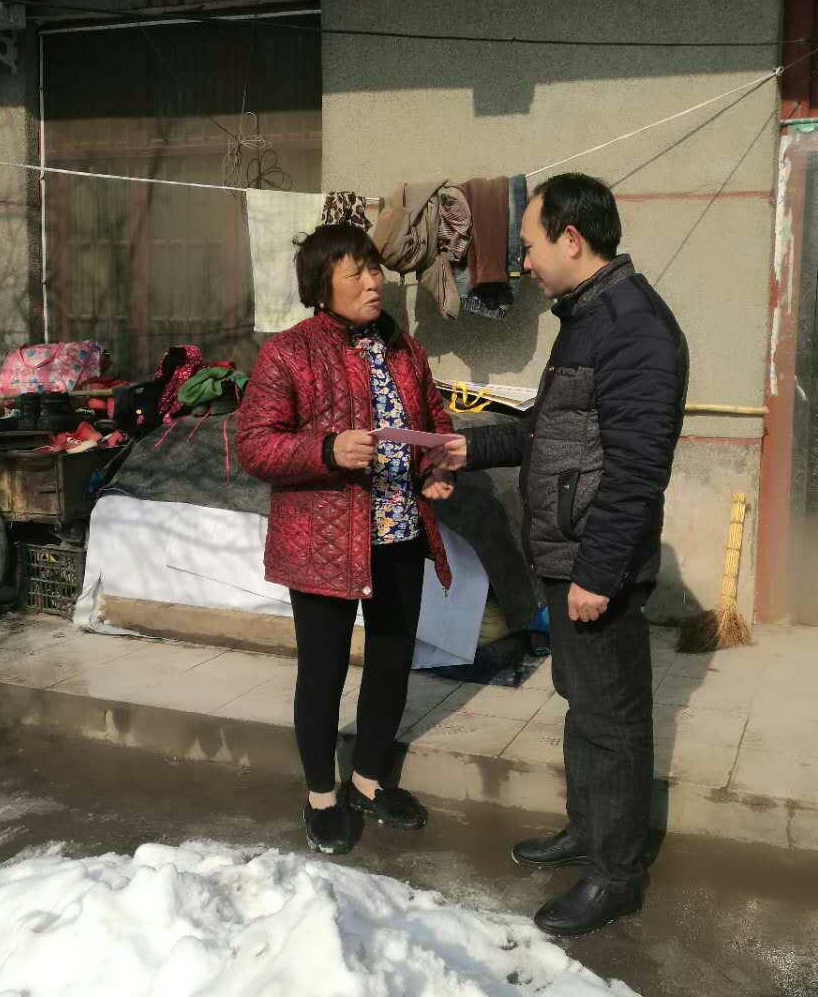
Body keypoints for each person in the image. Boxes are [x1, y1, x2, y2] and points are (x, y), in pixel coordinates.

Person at [451, 173, 689, 937]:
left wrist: (597, 573)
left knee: (611, 721)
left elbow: (637, 472)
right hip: (569, 557)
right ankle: (588, 833)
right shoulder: (585, 319)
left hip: (594, 567)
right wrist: (465, 448)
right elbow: (543, 433)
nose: (523, 262)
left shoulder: (634, 329)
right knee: (584, 706)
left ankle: (614, 876)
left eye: (529, 246)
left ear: (572, 239)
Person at [236, 223, 466, 856]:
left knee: (391, 663)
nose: (372, 282)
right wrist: (327, 450)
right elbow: (253, 445)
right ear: (322, 286)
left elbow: (433, 420)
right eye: (355, 272)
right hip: (323, 544)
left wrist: (436, 468)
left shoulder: (404, 349)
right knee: (323, 672)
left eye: (374, 269)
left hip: (398, 533)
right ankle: (321, 796)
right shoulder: (288, 353)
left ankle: (367, 781)